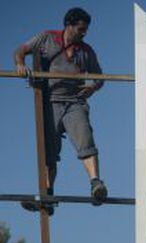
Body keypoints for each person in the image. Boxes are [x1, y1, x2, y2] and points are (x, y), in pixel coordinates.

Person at [14, 7, 108, 214]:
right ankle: (48, 194)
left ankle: (96, 184)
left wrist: (92, 87)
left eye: (86, 30)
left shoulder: (86, 51)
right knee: (49, 152)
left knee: (86, 141)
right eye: (81, 29)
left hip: (74, 102)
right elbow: (20, 50)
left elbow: (100, 77)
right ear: (69, 25)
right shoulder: (47, 38)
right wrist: (20, 64)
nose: (84, 33)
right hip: (50, 102)